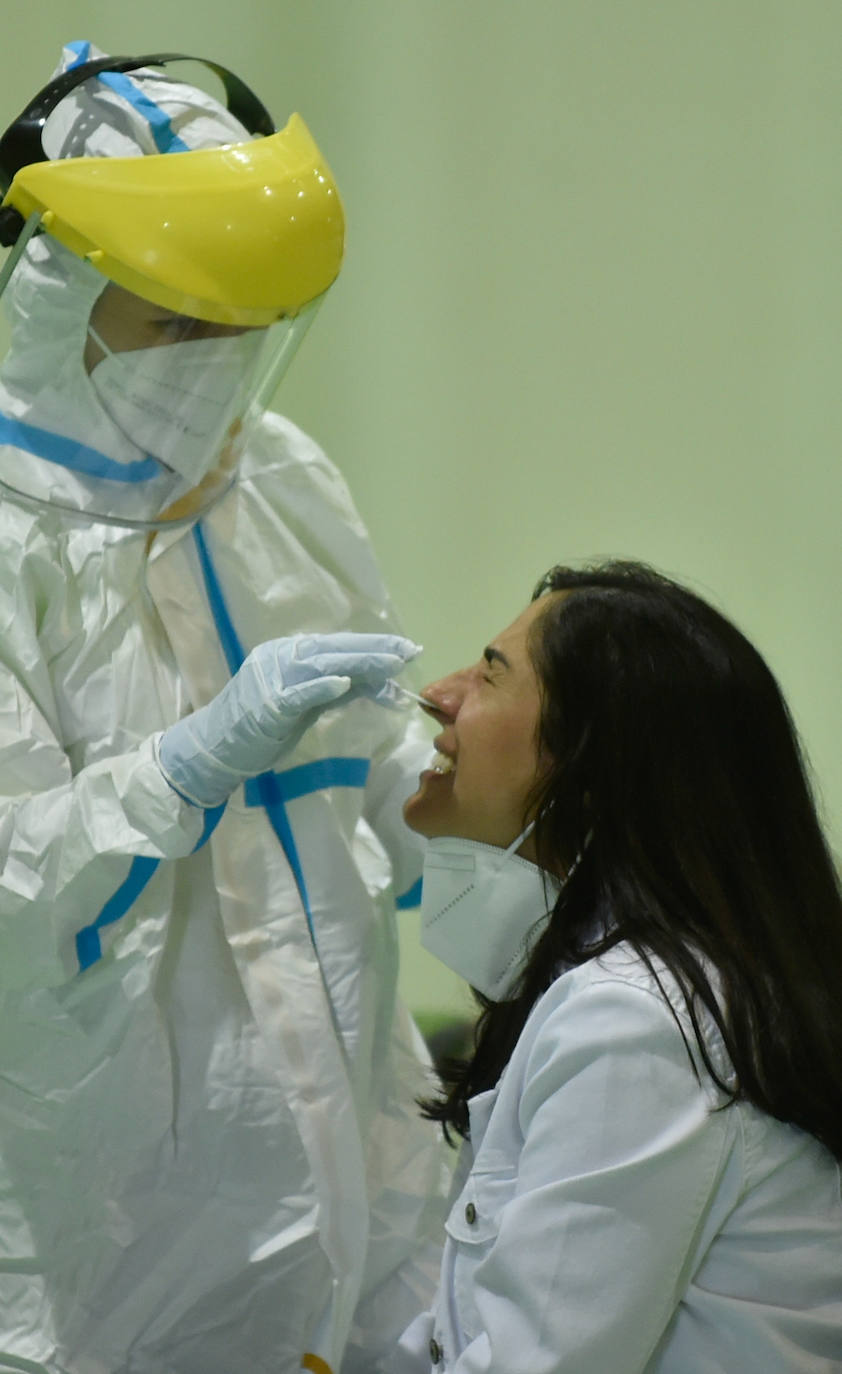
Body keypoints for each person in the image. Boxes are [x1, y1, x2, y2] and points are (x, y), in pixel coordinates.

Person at [0, 42, 447, 1374]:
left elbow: (369, 759)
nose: (215, 366)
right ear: (62, 293)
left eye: (242, 329)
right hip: (93, 1247)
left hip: (357, 1190)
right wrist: (186, 765)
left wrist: (450, 808)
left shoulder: (279, 473)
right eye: (176, 324)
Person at [390, 560, 842, 1372]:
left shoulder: (638, 1024)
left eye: (490, 675)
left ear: (591, 774)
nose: (440, 693)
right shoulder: (645, 990)